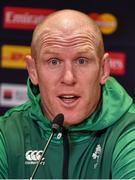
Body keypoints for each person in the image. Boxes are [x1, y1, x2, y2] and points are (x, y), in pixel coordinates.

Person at [0, 9, 135, 179]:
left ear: (103, 69)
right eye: (54, 61)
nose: (68, 77)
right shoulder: (6, 134)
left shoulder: (130, 131)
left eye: (81, 61)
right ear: (33, 70)